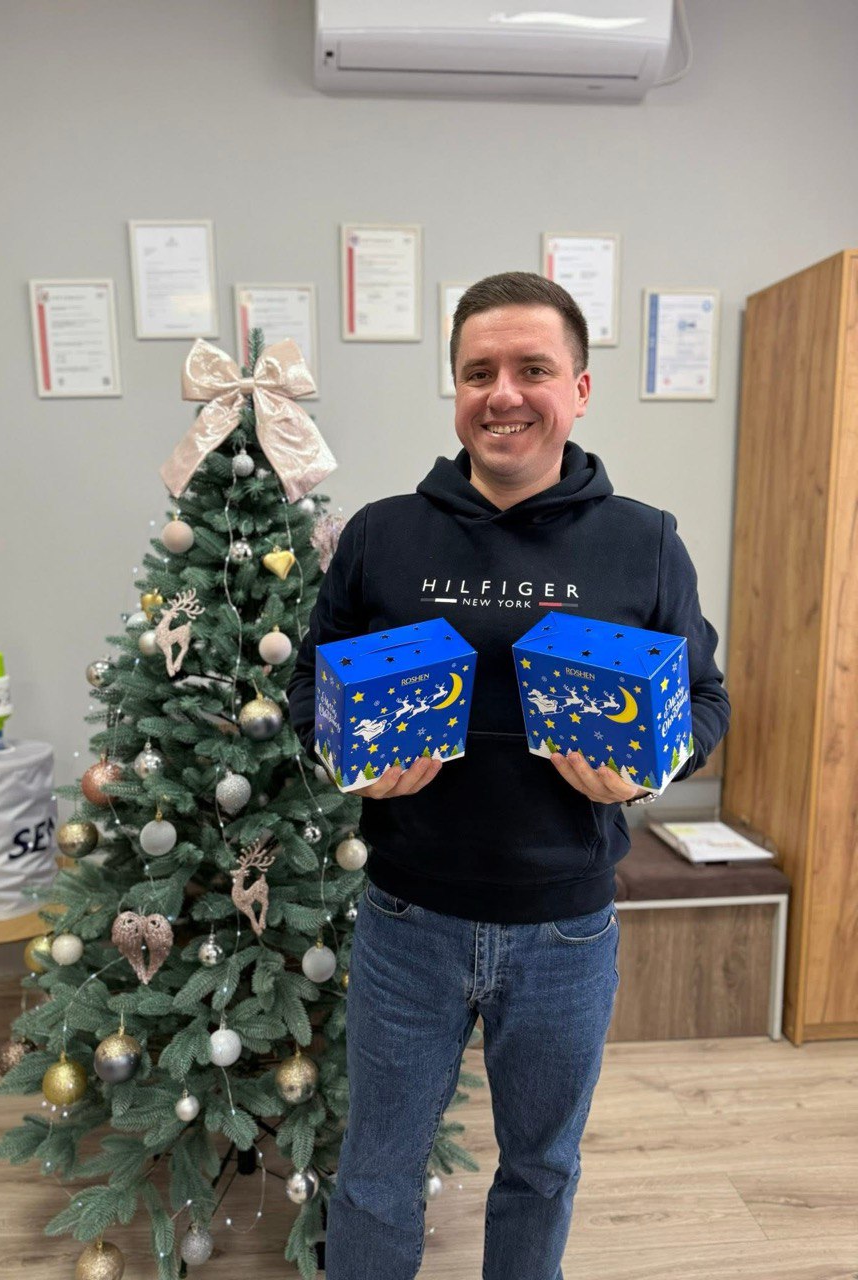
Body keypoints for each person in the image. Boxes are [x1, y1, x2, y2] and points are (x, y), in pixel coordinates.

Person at [287, 272, 730, 1280]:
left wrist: (644, 772)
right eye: (478, 371)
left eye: (533, 368)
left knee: (541, 1168)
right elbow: (314, 683)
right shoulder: (382, 534)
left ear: (579, 388)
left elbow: (704, 698)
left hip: (566, 926)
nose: (504, 394)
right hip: (408, 916)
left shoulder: (644, 540)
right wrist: (346, 754)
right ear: (455, 389)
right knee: (376, 1173)